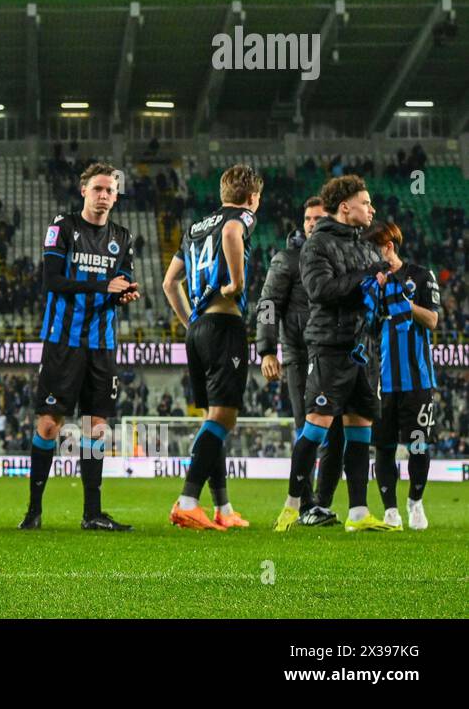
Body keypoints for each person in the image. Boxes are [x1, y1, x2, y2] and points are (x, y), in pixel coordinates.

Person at [274, 175, 396, 533]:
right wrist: (366, 276)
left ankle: (358, 512)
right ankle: (294, 505)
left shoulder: (369, 247)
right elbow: (320, 289)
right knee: (317, 426)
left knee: (360, 427)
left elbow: (370, 293)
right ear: (346, 207)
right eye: (366, 202)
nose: (372, 209)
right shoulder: (317, 245)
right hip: (330, 347)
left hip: (363, 350)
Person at [21, 163, 139, 532]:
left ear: (116, 196)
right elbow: (52, 281)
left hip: (101, 344)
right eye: (97, 189)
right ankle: (34, 512)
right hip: (63, 341)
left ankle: (92, 513)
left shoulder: (123, 236)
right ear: (83, 191)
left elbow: (123, 282)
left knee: (96, 426)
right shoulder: (63, 228)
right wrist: (104, 286)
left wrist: (125, 294)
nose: (103, 195)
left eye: (110, 190)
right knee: (49, 425)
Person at [162, 164, 262, 531]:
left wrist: (190, 322)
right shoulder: (241, 217)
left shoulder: (194, 228)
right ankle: (188, 501)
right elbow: (234, 232)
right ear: (252, 197)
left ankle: (223, 507)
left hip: (199, 328)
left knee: (213, 417)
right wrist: (235, 283)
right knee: (224, 416)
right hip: (224, 324)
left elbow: (169, 283)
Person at [256, 195, 341, 525]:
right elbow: (267, 304)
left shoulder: (340, 259)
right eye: (307, 218)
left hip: (335, 357)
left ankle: (321, 503)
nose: (311, 223)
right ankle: (305, 504)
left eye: (318, 218)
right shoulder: (287, 260)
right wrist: (266, 350)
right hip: (298, 356)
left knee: (336, 434)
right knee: (308, 429)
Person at [365, 221, 438, 530]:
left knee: (418, 444)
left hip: (418, 379)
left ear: (388, 247)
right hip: (384, 381)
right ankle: (391, 509)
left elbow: (432, 320)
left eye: (373, 250)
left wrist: (405, 305)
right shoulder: (371, 281)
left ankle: (415, 502)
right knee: (383, 447)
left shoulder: (421, 276)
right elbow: (367, 326)